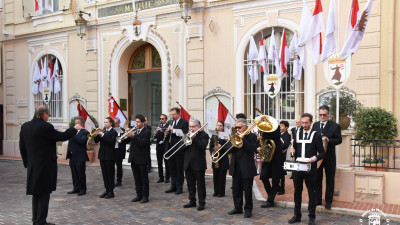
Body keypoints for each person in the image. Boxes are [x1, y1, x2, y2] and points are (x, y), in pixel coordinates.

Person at [20, 105, 80, 225]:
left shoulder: (25, 126)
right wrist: (74, 129)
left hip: (33, 165)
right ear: (44, 114)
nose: (49, 116)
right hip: (45, 165)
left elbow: (22, 147)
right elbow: (61, 137)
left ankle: (35, 219)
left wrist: (27, 163)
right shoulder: (46, 126)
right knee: (44, 193)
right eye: (49, 114)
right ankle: (41, 221)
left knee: (36, 193)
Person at [288, 113, 325, 225]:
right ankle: (297, 215)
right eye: (302, 122)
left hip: (310, 168)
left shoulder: (316, 135)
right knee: (297, 192)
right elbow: (295, 150)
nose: (304, 125)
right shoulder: (296, 133)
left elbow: (323, 153)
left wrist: (316, 157)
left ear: (311, 122)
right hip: (298, 167)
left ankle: (311, 217)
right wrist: (292, 151)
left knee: (311, 193)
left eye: (306, 123)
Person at [312, 105, 342, 209]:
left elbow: (339, 140)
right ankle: (318, 200)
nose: (322, 116)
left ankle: (328, 202)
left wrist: (329, 140)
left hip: (330, 158)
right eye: (320, 115)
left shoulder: (335, 126)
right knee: (317, 179)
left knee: (330, 180)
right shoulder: (315, 125)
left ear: (328, 115)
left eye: (324, 115)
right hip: (318, 157)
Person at [227, 118, 258, 218]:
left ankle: (248, 209)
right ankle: (237, 208)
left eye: (239, 127)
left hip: (247, 167)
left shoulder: (252, 136)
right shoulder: (234, 136)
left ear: (245, 127)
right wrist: (234, 141)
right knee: (236, 189)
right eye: (236, 127)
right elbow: (228, 150)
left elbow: (253, 149)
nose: (237, 129)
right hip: (236, 166)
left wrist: (243, 139)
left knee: (248, 190)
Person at [182, 118, 209, 210]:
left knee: (200, 185)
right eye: (190, 126)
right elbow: (182, 149)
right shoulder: (186, 135)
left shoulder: (204, 135)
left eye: (193, 126)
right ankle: (192, 201)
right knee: (190, 184)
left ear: (198, 127)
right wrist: (185, 140)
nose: (191, 128)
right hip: (188, 163)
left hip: (198, 164)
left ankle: (201, 203)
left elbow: (202, 147)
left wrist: (194, 138)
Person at [164, 107, 189, 195]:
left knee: (179, 169)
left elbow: (184, 135)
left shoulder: (184, 122)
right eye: (171, 114)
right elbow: (170, 135)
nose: (172, 116)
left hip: (179, 149)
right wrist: (167, 133)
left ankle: (179, 187)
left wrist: (173, 130)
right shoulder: (171, 122)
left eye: (174, 114)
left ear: (179, 114)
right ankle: (173, 186)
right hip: (170, 148)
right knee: (172, 169)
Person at [128, 114, 152, 203]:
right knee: (136, 178)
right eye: (136, 121)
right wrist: (127, 135)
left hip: (142, 158)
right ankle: (139, 195)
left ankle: (145, 196)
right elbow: (129, 142)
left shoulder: (147, 131)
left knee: (144, 178)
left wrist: (133, 136)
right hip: (134, 157)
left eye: (138, 122)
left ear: (143, 123)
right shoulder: (135, 130)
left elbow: (143, 143)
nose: (136, 123)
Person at [259, 119, 283, 208]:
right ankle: (270, 196)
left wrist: (262, 136)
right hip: (268, 156)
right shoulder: (264, 130)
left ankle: (270, 200)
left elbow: (274, 135)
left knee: (275, 179)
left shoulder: (276, 128)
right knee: (263, 176)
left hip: (276, 156)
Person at [94, 117, 118, 199]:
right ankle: (107, 189)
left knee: (110, 173)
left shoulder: (114, 132)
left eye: (107, 122)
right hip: (102, 155)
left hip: (110, 156)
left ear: (111, 123)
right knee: (104, 173)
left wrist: (103, 134)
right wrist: (96, 133)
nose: (105, 124)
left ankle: (111, 191)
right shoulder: (103, 131)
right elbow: (96, 141)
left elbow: (111, 141)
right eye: (104, 122)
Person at [66, 116, 89, 196]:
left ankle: (82, 189)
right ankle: (76, 188)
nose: (75, 125)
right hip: (72, 155)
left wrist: (72, 134)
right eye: (75, 123)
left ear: (82, 124)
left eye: (77, 123)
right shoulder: (72, 132)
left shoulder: (85, 132)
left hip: (80, 156)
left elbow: (82, 141)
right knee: (74, 173)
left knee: (81, 173)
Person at [209, 121, 230, 197]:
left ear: (223, 127)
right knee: (215, 175)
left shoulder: (226, 135)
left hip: (223, 158)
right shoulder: (214, 135)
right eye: (218, 125)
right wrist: (213, 151)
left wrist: (221, 147)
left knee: (222, 176)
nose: (218, 127)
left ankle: (221, 192)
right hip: (215, 158)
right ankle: (216, 191)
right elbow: (211, 145)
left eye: (220, 126)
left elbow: (228, 146)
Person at [154, 114, 170, 183]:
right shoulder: (159, 126)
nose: (161, 120)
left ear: (166, 119)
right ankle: (161, 177)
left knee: (167, 163)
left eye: (162, 119)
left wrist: (162, 132)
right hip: (159, 146)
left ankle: (167, 177)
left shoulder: (168, 126)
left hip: (165, 147)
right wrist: (155, 133)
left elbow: (168, 136)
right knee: (159, 163)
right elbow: (155, 137)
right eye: (160, 119)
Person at [114, 117, 129, 187]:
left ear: (119, 123)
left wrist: (126, 136)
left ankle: (119, 180)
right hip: (112, 150)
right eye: (113, 123)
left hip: (119, 150)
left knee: (119, 166)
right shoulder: (110, 130)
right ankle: (111, 179)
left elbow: (127, 141)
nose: (114, 124)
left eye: (116, 123)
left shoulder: (123, 131)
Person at [278, 120, 291, 195]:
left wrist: (277, 147)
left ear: (286, 127)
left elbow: (285, 145)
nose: (280, 127)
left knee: (281, 174)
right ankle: (277, 187)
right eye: (280, 125)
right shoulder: (278, 134)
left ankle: (282, 189)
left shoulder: (287, 135)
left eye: (282, 126)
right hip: (276, 155)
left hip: (282, 156)